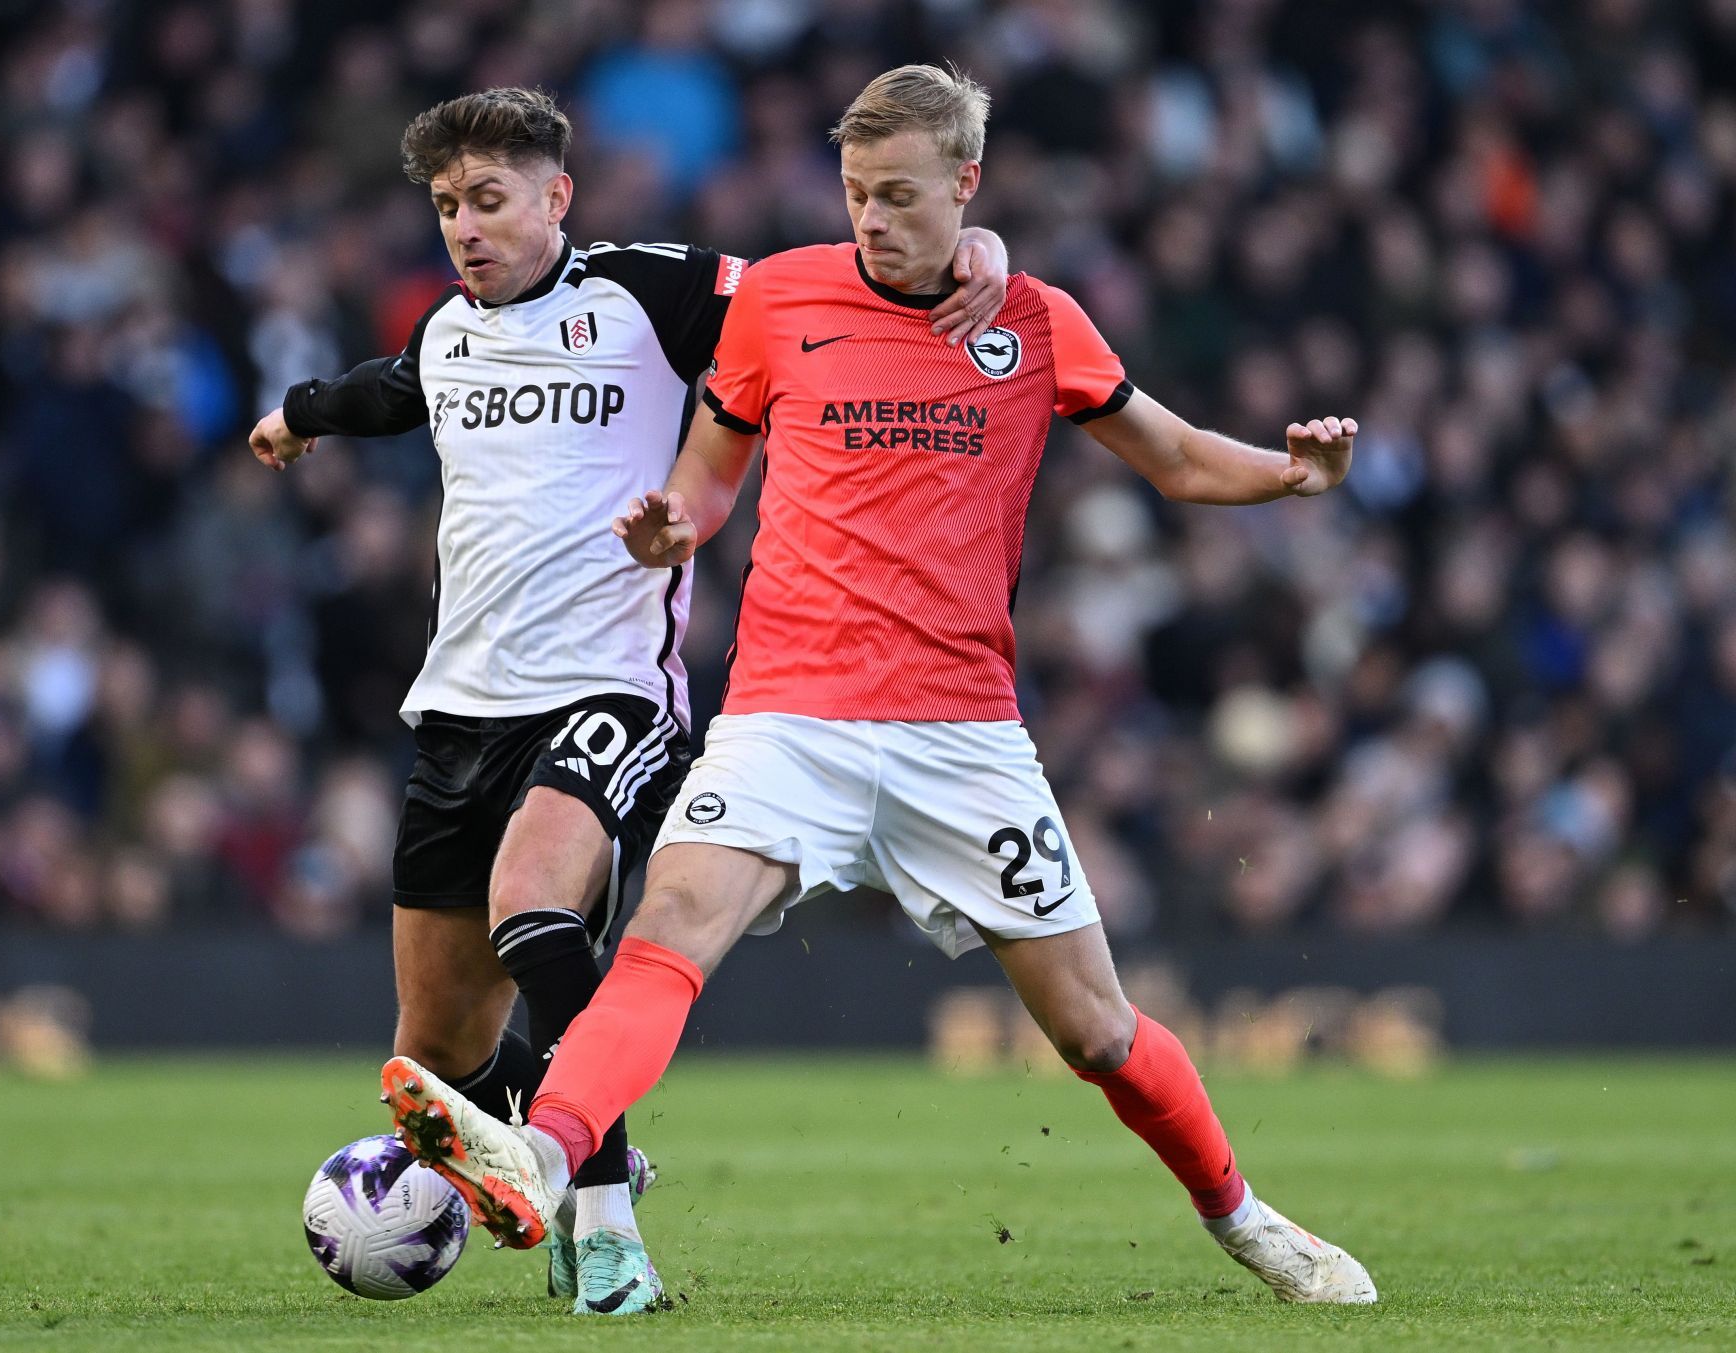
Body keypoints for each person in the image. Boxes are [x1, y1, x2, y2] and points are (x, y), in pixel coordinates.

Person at [378, 65, 1378, 1308]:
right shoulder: (782, 299)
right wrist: (669, 530)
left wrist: (1291, 477)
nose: (872, 220)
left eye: (900, 196)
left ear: (965, 185)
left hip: (961, 736)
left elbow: (1173, 460)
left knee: (1096, 1034)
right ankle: (551, 1157)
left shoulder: (1039, 323)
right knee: (661, 941)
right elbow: (708, 479)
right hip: (785, 716)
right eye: (856, 194)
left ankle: (1245, 1221)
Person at [246, 86, 1011, 1315]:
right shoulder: (448, 337)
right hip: (457, 714)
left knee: (533, 907)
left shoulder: (648, 291)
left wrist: (978, 249)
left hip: (610, 692)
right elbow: (383, 391)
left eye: (490, 200)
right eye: (447, 206)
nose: (466, 228)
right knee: (434, 1063)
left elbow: (826, 291)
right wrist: (296, 415)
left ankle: (603, 1226)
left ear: (557, 196)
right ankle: (575, 1135)